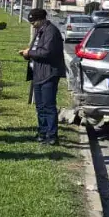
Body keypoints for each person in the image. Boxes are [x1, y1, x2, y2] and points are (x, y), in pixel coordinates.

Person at [22, 8, 66, 144]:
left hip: (49, 73)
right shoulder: (39, 31)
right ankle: (42, 132)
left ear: (41, 19)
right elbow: (36, 50)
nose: (32, 25)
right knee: (40, 106)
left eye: (33, 22)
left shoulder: (51, 32)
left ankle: (52, 136)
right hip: (38, 73)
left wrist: (29, 53)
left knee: (48, 105)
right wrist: (27, 54)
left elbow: (47, 52)